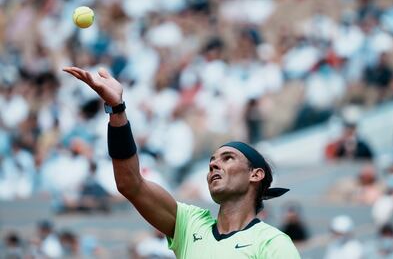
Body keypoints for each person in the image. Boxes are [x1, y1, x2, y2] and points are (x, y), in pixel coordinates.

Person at [63, 66, 300, 258]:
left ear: (255, 175)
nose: (214, 165)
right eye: (211, 161)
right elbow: (130, 184)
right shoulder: (189, 224)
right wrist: (116, 108)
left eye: (228, 158)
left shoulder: (273, 243)